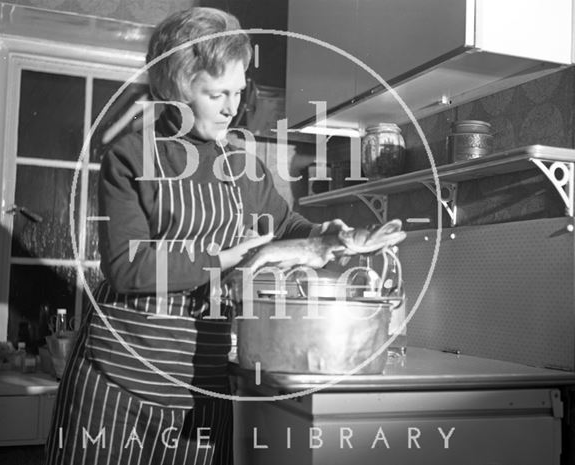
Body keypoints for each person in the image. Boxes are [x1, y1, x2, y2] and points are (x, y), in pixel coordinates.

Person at [45, 7, 349, 465]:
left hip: (200, 385)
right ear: (175, 86)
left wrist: (323, 237)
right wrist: (225, 259)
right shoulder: (131, 158)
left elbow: (287, 228)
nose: (232, 107)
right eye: (216, 94)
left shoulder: (244, 166)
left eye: (238, 92)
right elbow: (128, 267)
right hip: (116, 385)